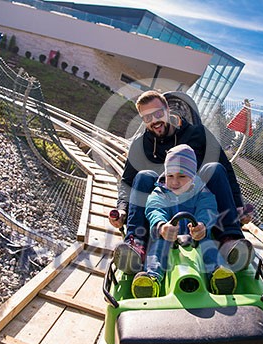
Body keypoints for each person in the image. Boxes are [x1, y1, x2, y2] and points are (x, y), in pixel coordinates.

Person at [108, 90, 252, 274]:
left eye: (158, 114)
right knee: (144, 175)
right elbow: (127, 182)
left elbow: (227, 171)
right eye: (147, 117)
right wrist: (121, 209)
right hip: (160, 203)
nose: (155, 121)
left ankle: (230, 240)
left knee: (214, 168)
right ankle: (136, 245)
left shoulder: (197, 134)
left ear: (168, 110)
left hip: (197, 200)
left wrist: (238, 204)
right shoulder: (140, 145)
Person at [131, 144, 241, 298]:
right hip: (168, 236)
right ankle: (152, 279)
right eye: (170, 176)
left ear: (192, 176)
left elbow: (208, 209)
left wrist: (203, 225)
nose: (174, 182)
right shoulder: (161, 192)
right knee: (157, 249)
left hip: (196, 236)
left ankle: (218, 274)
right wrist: (162, 226)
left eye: (181, 176)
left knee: (208, 246)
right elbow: (154, 208)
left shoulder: (201, 191)